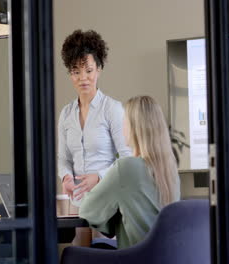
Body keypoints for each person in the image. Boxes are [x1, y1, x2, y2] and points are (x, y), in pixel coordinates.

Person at [79, 96, 181, 249]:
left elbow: (88, 210)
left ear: (134, 127)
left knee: (72, 254)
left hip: (137, 258)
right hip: (164, 257)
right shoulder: (169, 171)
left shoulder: (126, 168)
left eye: (124, 120)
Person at [58, 29, 131, 204]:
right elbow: (63, 158)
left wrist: (99, 177)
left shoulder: (112, 109)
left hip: (108, 200)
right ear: (70, 74)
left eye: (89, 70)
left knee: (99, 234)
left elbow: (128, 158)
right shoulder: (66, 114)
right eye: (76, 72)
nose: (83, 78)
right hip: (78, 202)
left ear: (99, 69)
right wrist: (66, 177)